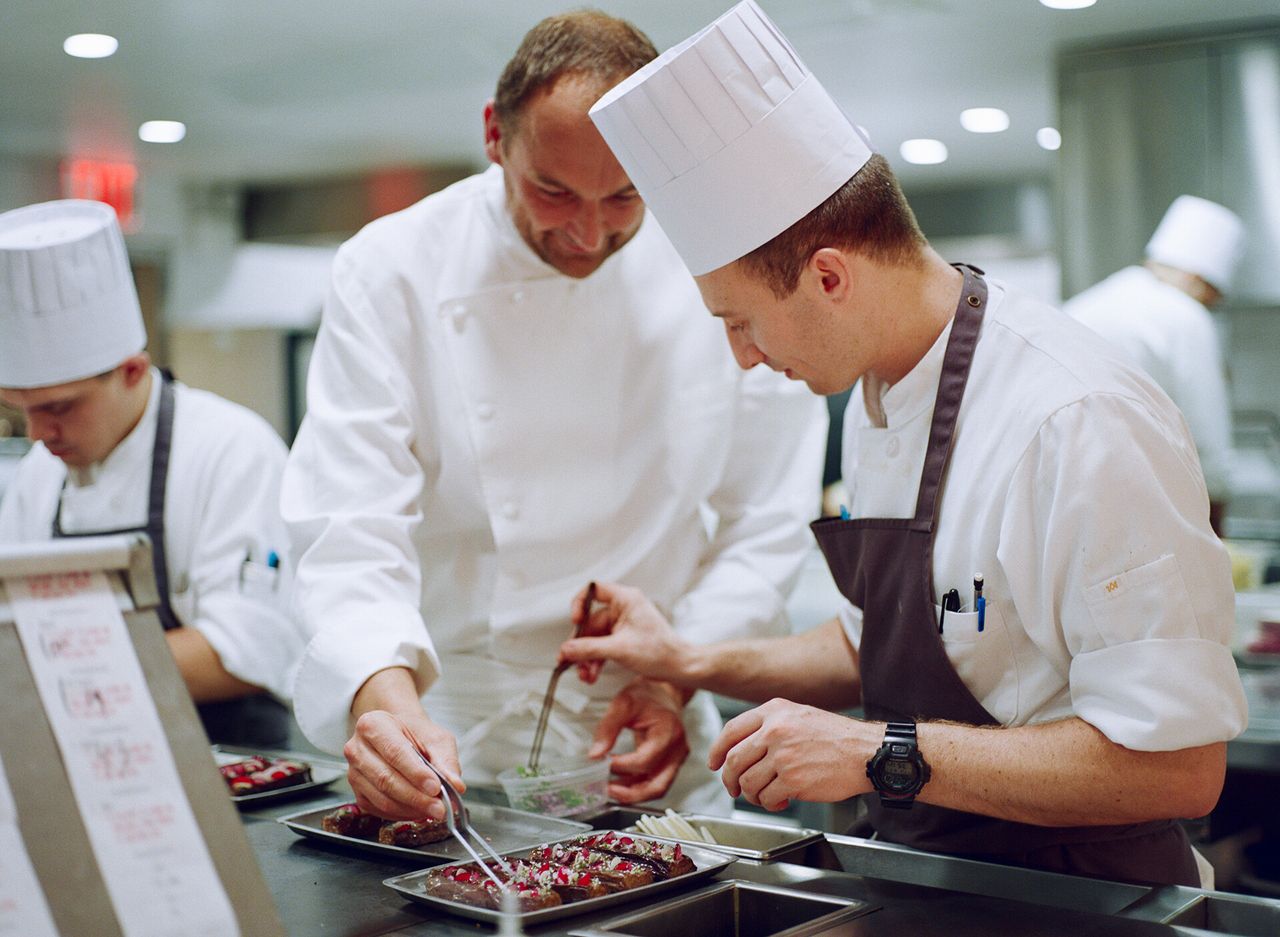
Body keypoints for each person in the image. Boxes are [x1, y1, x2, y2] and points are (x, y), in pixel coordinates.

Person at [564, 0, 1249, 887]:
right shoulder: (881, 394)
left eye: (741, 322)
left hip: (1085, 901)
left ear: (829, 278)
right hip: (935, 885)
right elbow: (874, 645)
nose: (743, 358)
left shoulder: (1076, 416)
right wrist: (689, 661)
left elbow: (1177, 766)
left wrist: (882, 751)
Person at [280, 9, 825, 822]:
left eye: (625, 197)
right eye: (553, 190)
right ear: (496, 135)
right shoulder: (391, 269)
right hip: (451, 747)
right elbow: (346, 529)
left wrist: (671, 676)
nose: (587, 231)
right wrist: (383, 704)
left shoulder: (724, 259)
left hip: (656, 743)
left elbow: (767, 521)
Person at [0, 199, 303, 747]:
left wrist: (60, 666)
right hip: (83, 750)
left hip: (230, 759)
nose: (39, 433)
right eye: (20, 409)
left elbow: (242, 655)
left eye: (60, 407)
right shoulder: (38, 479)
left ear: (133, 370)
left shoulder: (231, 450)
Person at [1064, 195, 1246, 534]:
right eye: (1212, 295)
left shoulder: (1087, 303)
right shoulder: (1186, 316)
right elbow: (1208, 440)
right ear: (1197, 279)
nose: (1211, 304)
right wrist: (1217, 534)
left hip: (1064, 498)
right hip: (1140, 507)